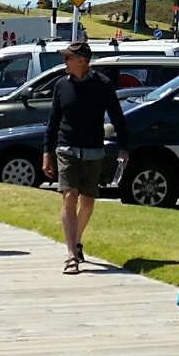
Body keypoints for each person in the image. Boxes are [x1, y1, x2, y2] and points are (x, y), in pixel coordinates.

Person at [44, 39, 129, 273]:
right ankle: (71, 255)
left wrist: (123, 146)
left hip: (93, 150)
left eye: (68, 58)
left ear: (81, 61)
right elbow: (53, 122)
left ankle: (76, 239)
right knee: (69, 195)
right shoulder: (61, 85)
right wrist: (46, 153)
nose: (64, 61)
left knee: (88, 201)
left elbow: (117, 117)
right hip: (66, 148)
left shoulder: (103, 84)